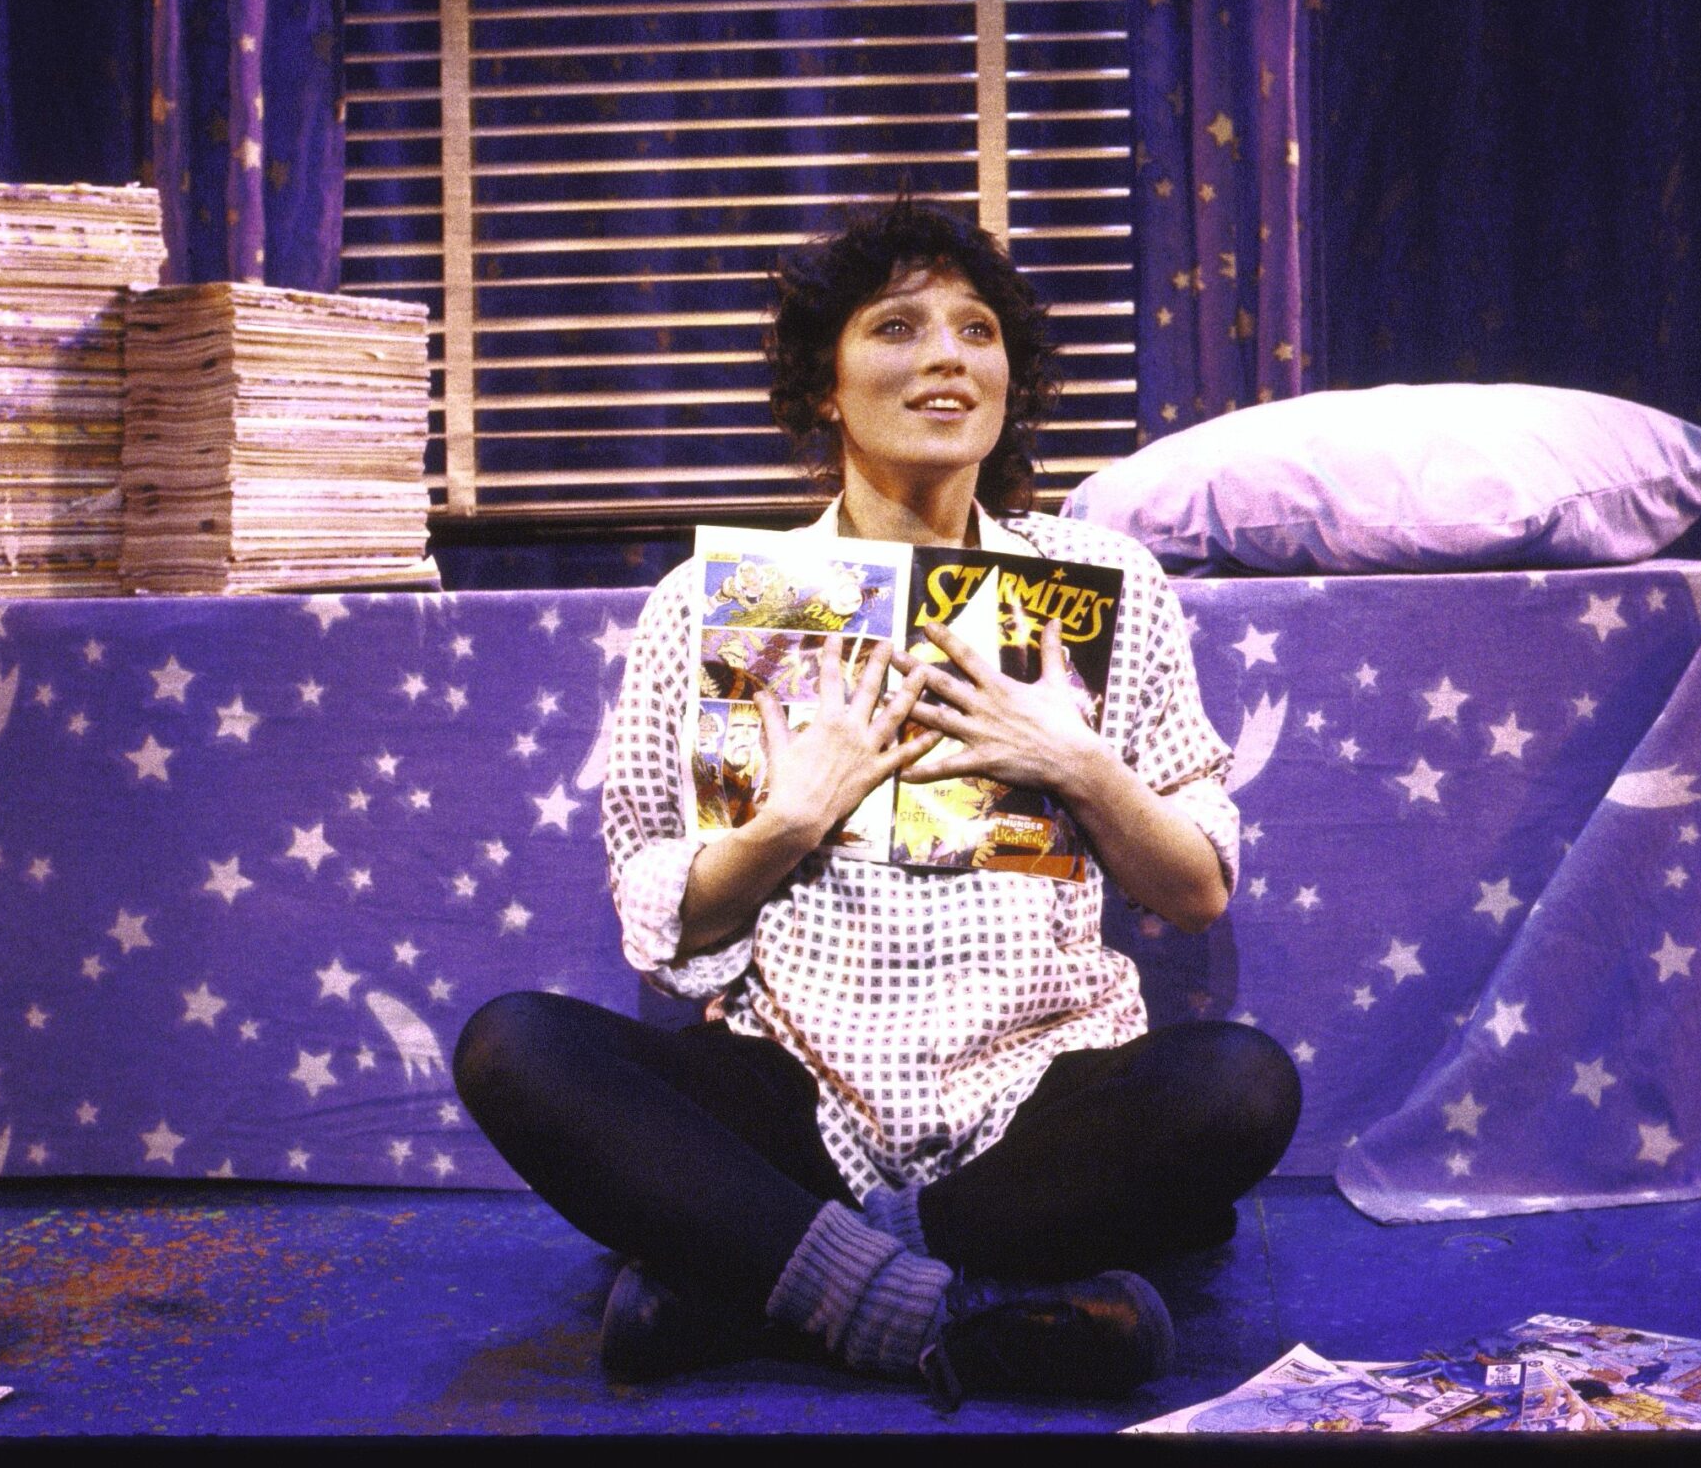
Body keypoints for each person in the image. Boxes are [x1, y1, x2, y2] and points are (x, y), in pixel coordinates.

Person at [453, 198, 1301, 1408]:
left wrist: (1075, 762)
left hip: (1032, 1091)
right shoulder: (709, 603)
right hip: (790, 1095)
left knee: (1238, 1088)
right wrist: (782, 828)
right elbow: (664, 924)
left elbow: (1196, 887)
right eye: (898, 328)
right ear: (825, 388)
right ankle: (964, 1308)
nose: (948, 356)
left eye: (977, 330)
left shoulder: (1107, 585)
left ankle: (745, 1283)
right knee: (516, 1047)